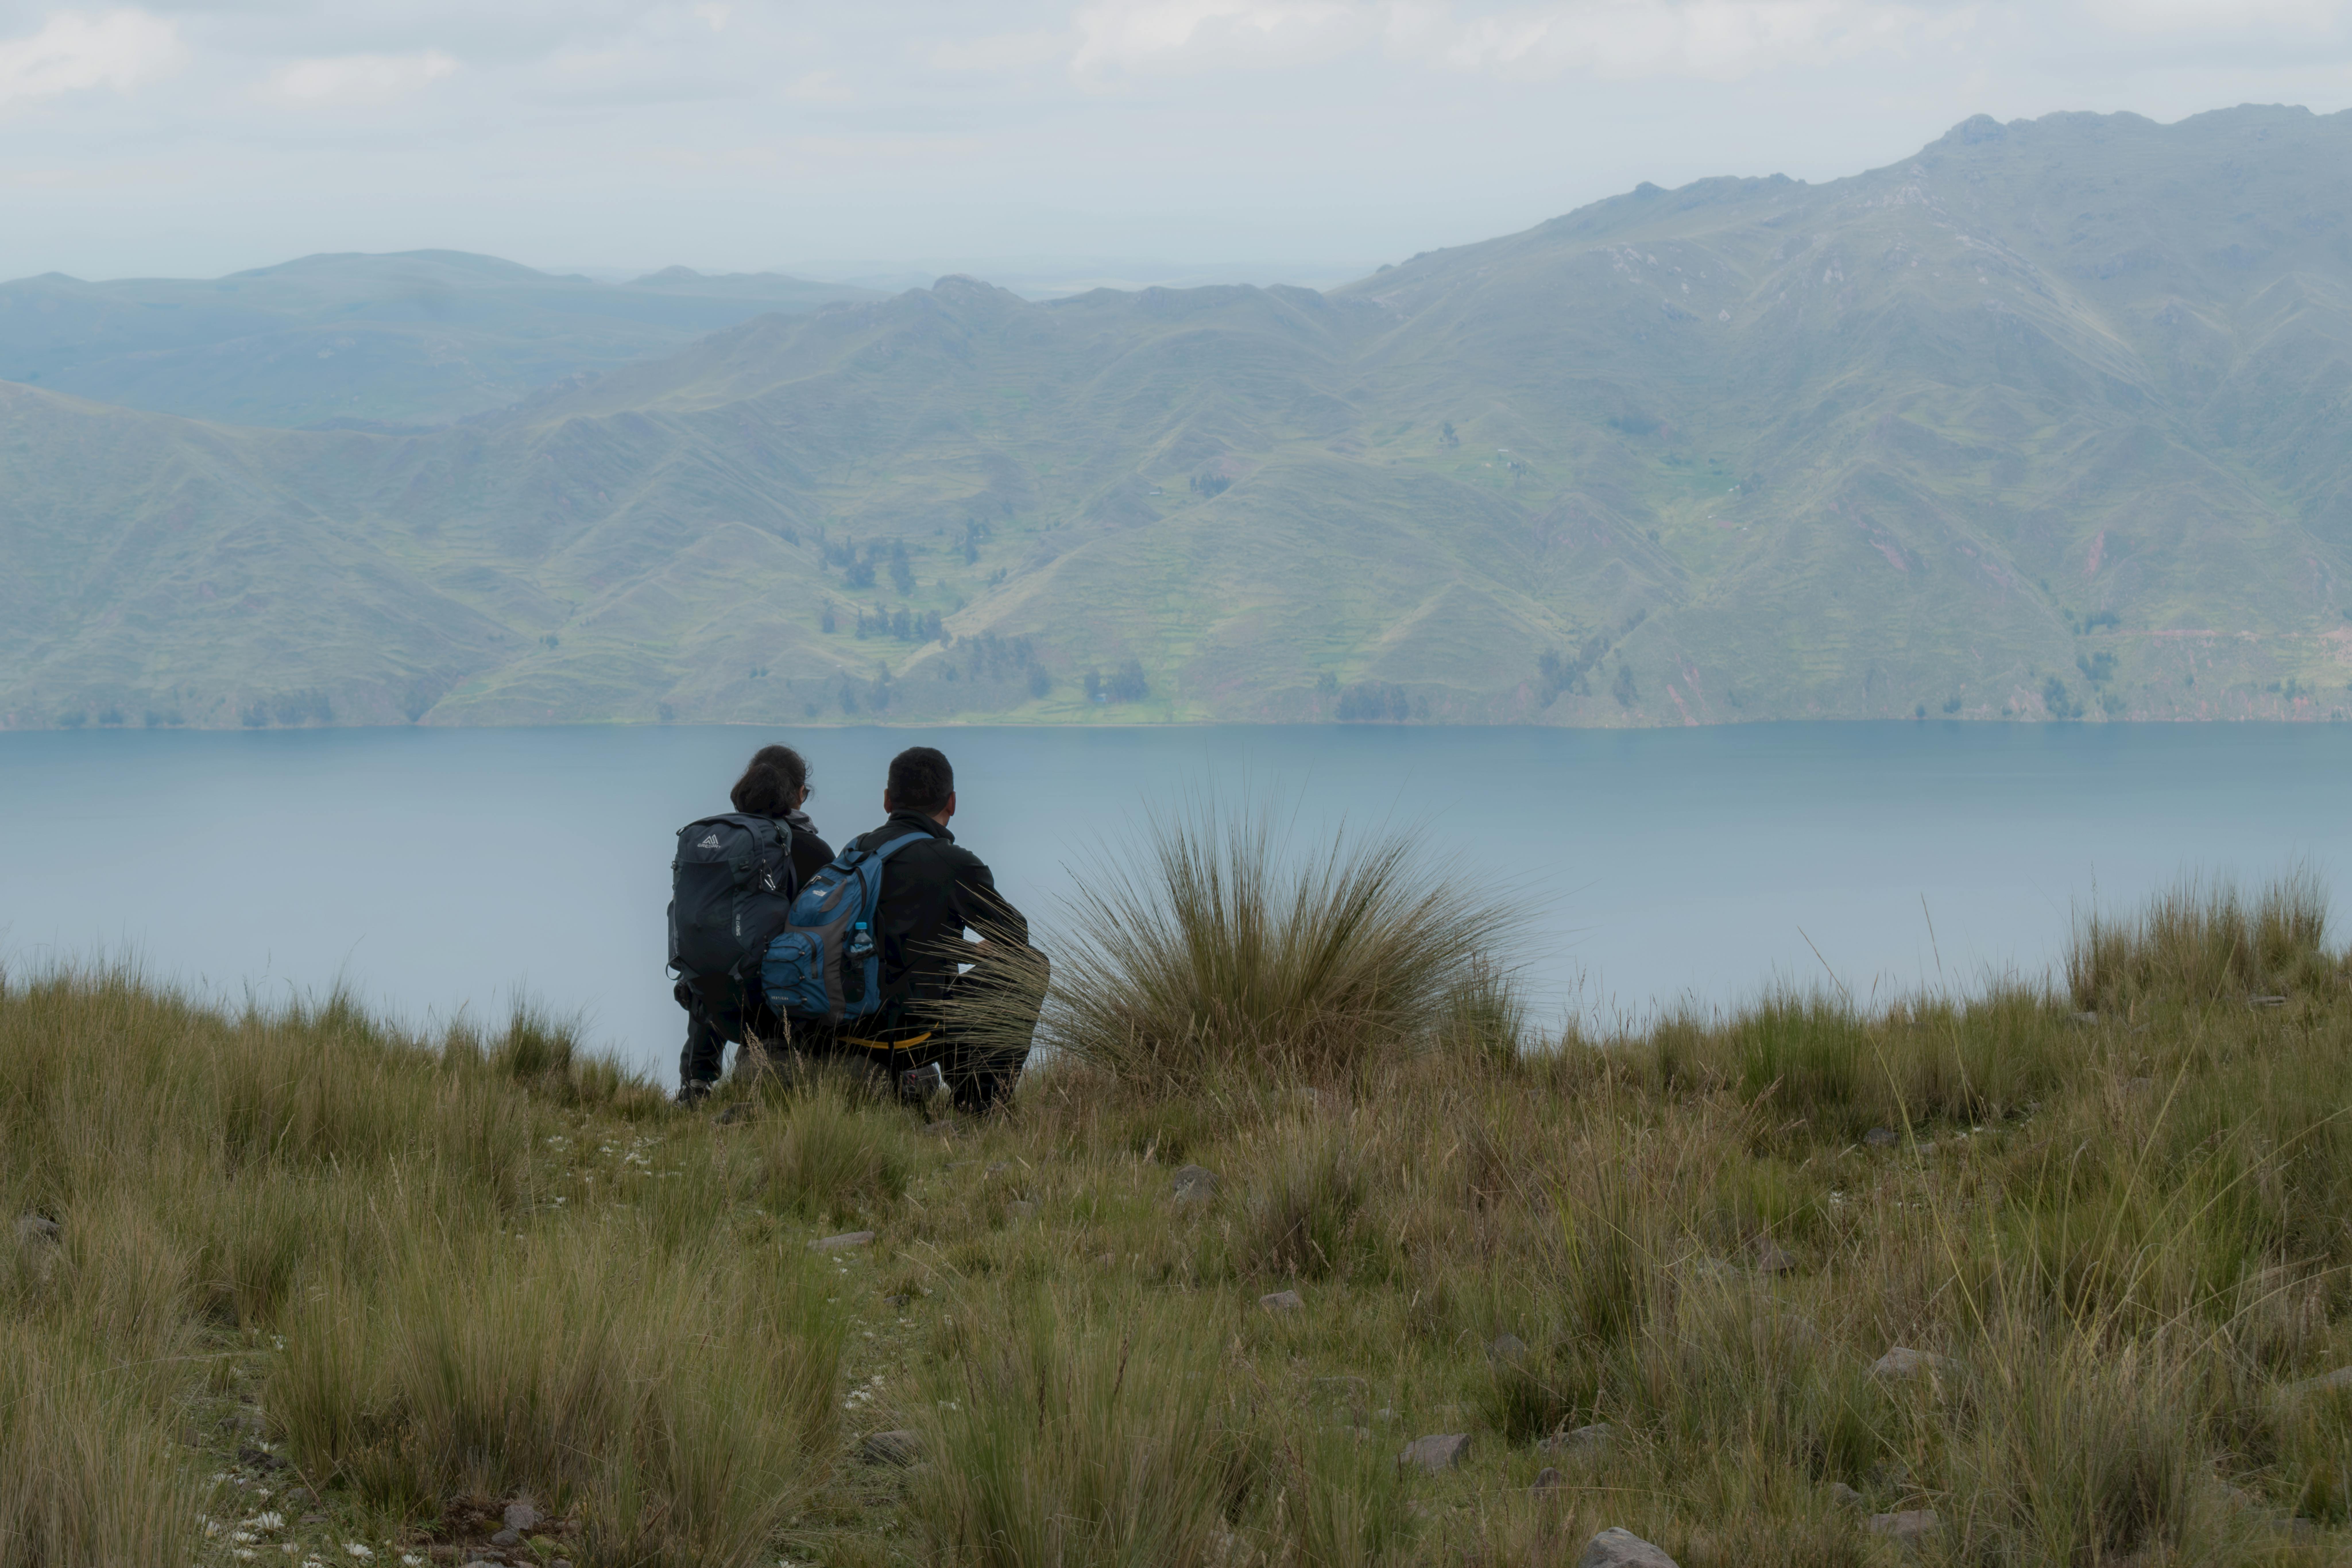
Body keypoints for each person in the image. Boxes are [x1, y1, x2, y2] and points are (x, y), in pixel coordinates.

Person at [819, 745, 1044, 1113]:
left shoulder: (855, 851)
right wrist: (971, 950)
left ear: (887, 800)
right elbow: (1015, 938)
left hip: (841, 1024)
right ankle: (978, 1106)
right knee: (1031, 965)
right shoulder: (954, 863)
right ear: (952, 803)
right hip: (909, 1035)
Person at [674, 744, 833, 1100]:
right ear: (800, 794)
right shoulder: (811, 849)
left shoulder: (713, 841)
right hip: (774, 1007)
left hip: (711, 1001)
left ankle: (695, 1083)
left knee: (720, 953)